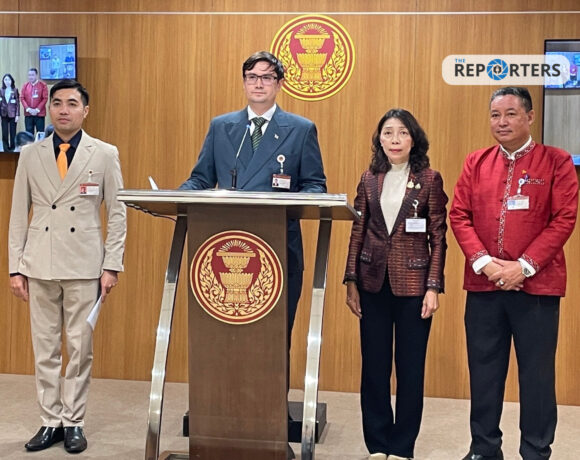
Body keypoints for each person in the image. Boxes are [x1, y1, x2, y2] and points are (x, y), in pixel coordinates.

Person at [449, 87, 578, 460]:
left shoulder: (556, 161)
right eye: (495, 115)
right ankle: (484, 448)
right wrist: (485, 263)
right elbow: (459, 215)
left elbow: (564, 218)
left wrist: (524, 266)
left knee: (537, 376)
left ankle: (536, 450)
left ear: (530, 117)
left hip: (537, 287)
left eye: (510, 114)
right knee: (484, 374)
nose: (501, 122)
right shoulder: (476, 162)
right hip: (484, 285)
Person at [8, 79, 127, 454]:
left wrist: (112, 264)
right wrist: (15, 267)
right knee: (45, 348)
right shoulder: (30, 154)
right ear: (47, 108)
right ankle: (49, 421)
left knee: (79, 347)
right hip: (39, 262)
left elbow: (118, 213)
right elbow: (18, 214)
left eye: (72, 103)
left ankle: (73, 421)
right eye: (57, 102)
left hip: (85, 264)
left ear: (85, 111)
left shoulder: (104, 153)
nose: (63, 109)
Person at [179, 50, 326, 347]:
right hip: (225, 243)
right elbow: (201, 179)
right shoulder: (222, 127)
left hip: (278, 248)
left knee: (273, 340)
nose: (258, 84)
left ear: (280, 84)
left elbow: (315, 186)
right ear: (244, 82)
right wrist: (178, 195)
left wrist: (287, 205)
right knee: (225, 338)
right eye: (252, 77)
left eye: (267, 77)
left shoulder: (300, 129)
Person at [344, 109, 448, 460]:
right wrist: (351, 279)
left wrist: (433, 286)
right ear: (379, 139)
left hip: (414, 286)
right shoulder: (369, 178)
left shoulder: (429, 179)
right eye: (387, 133)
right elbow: (358, 231)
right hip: (372, 283)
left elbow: (438, 237)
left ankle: (402, 447)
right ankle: (377, 444)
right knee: (373, 368)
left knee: (410, 369)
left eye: (402, 132)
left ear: (413, 139)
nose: (394, 140)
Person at [20, 67, 48, 136]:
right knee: (29, 134)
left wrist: (37, 110)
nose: (30, 77)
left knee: (40, 134)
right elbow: (22, 98)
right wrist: (28, 109)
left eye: (32, 75)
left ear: (36, 75)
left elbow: (45, 98)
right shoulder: (25, 86)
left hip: (39, 114)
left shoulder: (43, 85)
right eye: (29, 75)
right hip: (28, 114)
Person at [0, 73, 20, 151]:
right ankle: (6, 148)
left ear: (11, 81)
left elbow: (17, 103)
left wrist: (17, 115)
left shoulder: (15, 90)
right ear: (3, 81)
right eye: (5, 80)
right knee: (4, 132)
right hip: (4, 114)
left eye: (8, 79)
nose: (7, 81)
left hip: (13, 114)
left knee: (13, 132)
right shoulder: (1, 90)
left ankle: (12, 148)